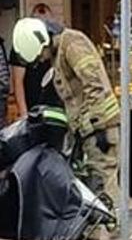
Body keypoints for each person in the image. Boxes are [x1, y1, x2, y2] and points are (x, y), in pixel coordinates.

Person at [11, 17, 120, 210]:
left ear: (43, 41)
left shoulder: (72, 44)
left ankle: (113, 226)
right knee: (93, 184)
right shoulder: (58, 53)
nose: (42, 59)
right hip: (88, 129)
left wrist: (98, 127)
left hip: (99, 128)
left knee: (103, 184)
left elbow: (94, 85)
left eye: (40, 54)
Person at [9, 3, 55, 118]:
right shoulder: (21, 44)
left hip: (54, 107)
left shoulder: (55, 41)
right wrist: (24, 113)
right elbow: (18, 81)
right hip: (32, 106)